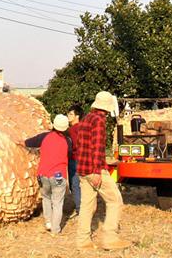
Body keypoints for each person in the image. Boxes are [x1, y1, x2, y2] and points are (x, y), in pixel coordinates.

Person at [71, 91, 130, 251]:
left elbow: (84, 147)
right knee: (115, 201)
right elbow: (97, 148)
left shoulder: (85, 120)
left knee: (87, 206)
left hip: (82, 170)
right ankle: (110, 238)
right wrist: (97, 171)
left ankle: (82, 242)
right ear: (108, 107)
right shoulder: (99, 121)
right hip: (94, 169)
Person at [24, 114, 71, 235]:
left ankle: (48, 222)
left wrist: (18, 142)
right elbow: (70, 155)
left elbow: (27, 142)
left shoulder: (44, 136)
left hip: (43, 174)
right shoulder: (68, 140)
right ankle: (55, 230)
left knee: (46, 198)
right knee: (57, 202)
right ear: (66, 127)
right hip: (58, 175)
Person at [66, 106, 83, 217]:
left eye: (71, 114)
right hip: (83, 159)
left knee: (75, 185)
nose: (68, 116)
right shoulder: (83, 127)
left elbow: (74, 145)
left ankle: (79, 210)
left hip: (74, 159)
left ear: (77, 116)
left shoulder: (72, 130)